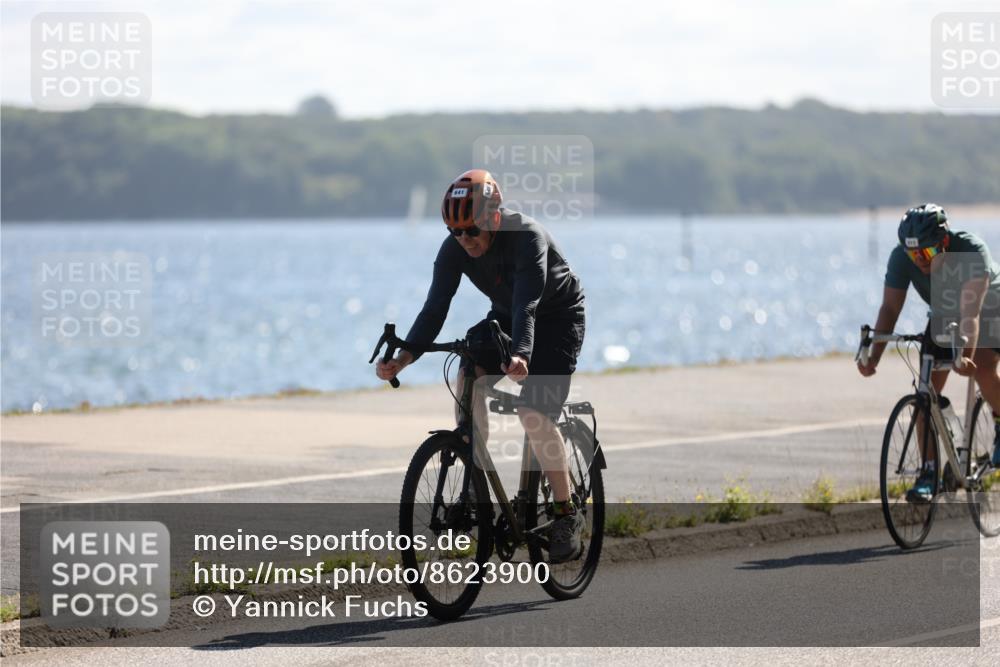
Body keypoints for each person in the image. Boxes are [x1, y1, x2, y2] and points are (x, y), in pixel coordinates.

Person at [375, 169, 587, 562]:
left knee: (533, 413)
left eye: (470, 229)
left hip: (556, 318)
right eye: (454, 231)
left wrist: (521, 354)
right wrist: (403, 359)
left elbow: (528, 304)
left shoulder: (527, 238)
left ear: (492, 217)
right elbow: (434, 308)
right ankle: (473, 478)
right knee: (468, 364)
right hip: (506, 318)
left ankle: (565, 513)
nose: (464, 239)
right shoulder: (454, 248)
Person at [858, 203, 1000, 503]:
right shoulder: (901, 257)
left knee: (983, 366)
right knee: (924, 394)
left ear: (944, 242)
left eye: (927, 253)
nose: (920, 261)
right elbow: (890, 308)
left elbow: (971, 314)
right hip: (946, 314)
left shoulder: (972, 251)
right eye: (914, 255)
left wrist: (964, 354)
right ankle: (929, 472)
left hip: (990, 310)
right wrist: (874, 355)